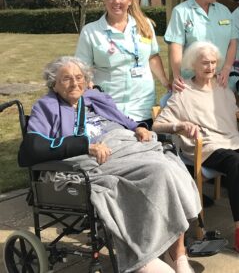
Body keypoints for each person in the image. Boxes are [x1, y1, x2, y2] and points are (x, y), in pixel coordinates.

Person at [18, 57, 200, 273]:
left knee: (171, 164)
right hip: (96, 156)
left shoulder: (94, 97)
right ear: (53, 83)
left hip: (127, 143)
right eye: (66, 79)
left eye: (79, 78)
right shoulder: (46, 106)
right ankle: (144, 256)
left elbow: (122, 119)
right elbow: (30, 150)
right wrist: (84, 146)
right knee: (158, 170)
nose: (75, 83)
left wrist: (138, 128)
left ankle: (177, 252)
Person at [152, 41, 239, 263]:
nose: (210, 67)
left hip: (231, 141)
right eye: (204, 63)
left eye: (213, 63)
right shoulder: (183, 92)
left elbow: (230, 111)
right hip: (207, 147)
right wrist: (179, 126)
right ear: (193, 64)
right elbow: (158, 124)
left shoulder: (221, 87)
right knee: (237, 163)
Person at [75, 0, 169, 128]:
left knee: (144, 146)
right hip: (108, 107)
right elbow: (81, 68)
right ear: (104, 0)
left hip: (142, 104)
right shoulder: (90, 31)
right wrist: (89, 87)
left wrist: (165, 82)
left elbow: (152, 56)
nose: (116, 1)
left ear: (130, 1)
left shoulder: (144, 25)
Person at [164, 0, 237, 90]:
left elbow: (233, 42)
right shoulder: (181, 11)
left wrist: (226, 68)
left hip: (221, 81)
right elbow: (176, 46)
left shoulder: (224, 11)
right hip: (192, 83)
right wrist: (176, 75)